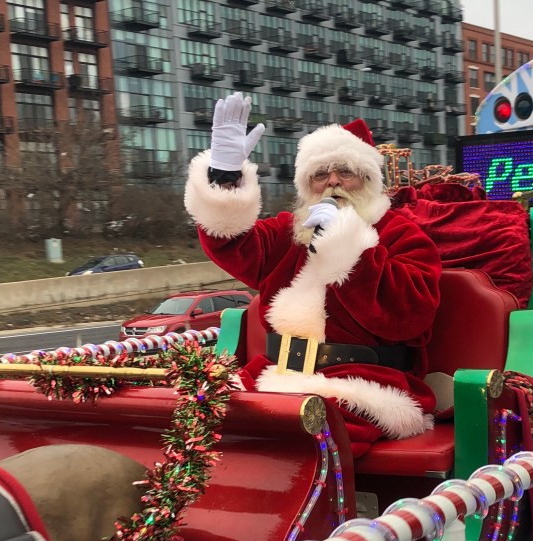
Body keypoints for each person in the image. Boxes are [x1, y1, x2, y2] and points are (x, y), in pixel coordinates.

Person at [183, 93, 442, 456]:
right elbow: (231, 241)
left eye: (345, 171)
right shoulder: (289, 232)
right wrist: (224, 179)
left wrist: (347, 244)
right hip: (279, 372)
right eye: (320, 174)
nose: (332, 182)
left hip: (366, 383)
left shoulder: (401, 233)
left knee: (301, 434)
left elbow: (409, 315)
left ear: (367, 179)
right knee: (203, 414)